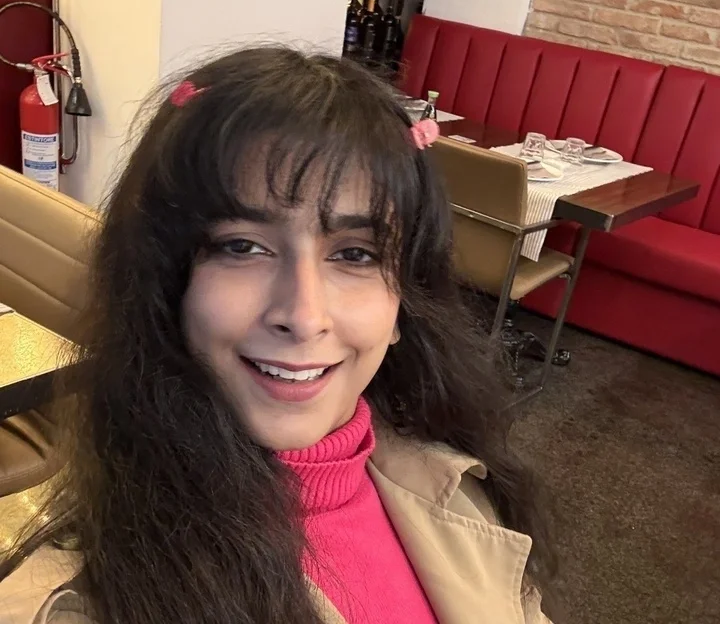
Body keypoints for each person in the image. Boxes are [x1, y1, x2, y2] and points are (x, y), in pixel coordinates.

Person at [0, 47, 556, 624]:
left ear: (404, 306)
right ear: (162, 283)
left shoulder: (465, 486)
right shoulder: (71, 605)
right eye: (243, 246)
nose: (305, 315)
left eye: (356, 254)